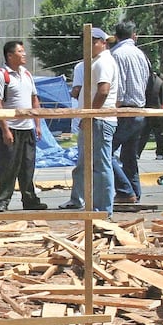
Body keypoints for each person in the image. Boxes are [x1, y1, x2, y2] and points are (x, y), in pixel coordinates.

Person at [59, 27, 118, 214]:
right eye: (86, 42)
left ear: (103, 43)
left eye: (93, 42)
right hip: (95, 118)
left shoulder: (103, 62)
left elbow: (104, 90)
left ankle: (103, 210)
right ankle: (95, 206)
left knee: (100, 166)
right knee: (92, 165)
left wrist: (90, 114)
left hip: (99, 119)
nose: (89, 46)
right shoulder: (93, 62)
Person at [0, 40, 48, 212]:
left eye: (24, 51)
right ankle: (2, 200)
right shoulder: (0, 76)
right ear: (10, 55)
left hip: (27, 128)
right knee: (8, 166)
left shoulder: (27, 74)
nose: (24, 54)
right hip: (9, 129)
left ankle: (30, 199)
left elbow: (34, 99)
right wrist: (5, 129)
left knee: (28, 166)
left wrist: (37, 125)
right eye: (20, 51)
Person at [110, 20, 150, 204]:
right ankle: (134, 191)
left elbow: (118, 86)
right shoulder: (141, 55)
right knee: (129, 156)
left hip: (124, 110)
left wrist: (113, 109)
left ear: (116, 37)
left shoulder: (116, 55)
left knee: (103, 153)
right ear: (135, 35)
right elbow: (146, 80)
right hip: (139, 110)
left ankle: (126, 191)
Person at [58, 60, 85, 209]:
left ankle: (79, 199)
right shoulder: (110, 62)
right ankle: (126, 191)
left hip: (90, 118)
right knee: (107, 161)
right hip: (111, 118)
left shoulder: (82, 66)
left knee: (85, 163)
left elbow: (76, 91)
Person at [138, 70, 163, 159]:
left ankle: (137, 153)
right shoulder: (160, 84)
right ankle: (160, 153)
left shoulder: (144, 82)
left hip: (146, 111)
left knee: (144, 134)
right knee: (159, 134)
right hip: (158, 112)